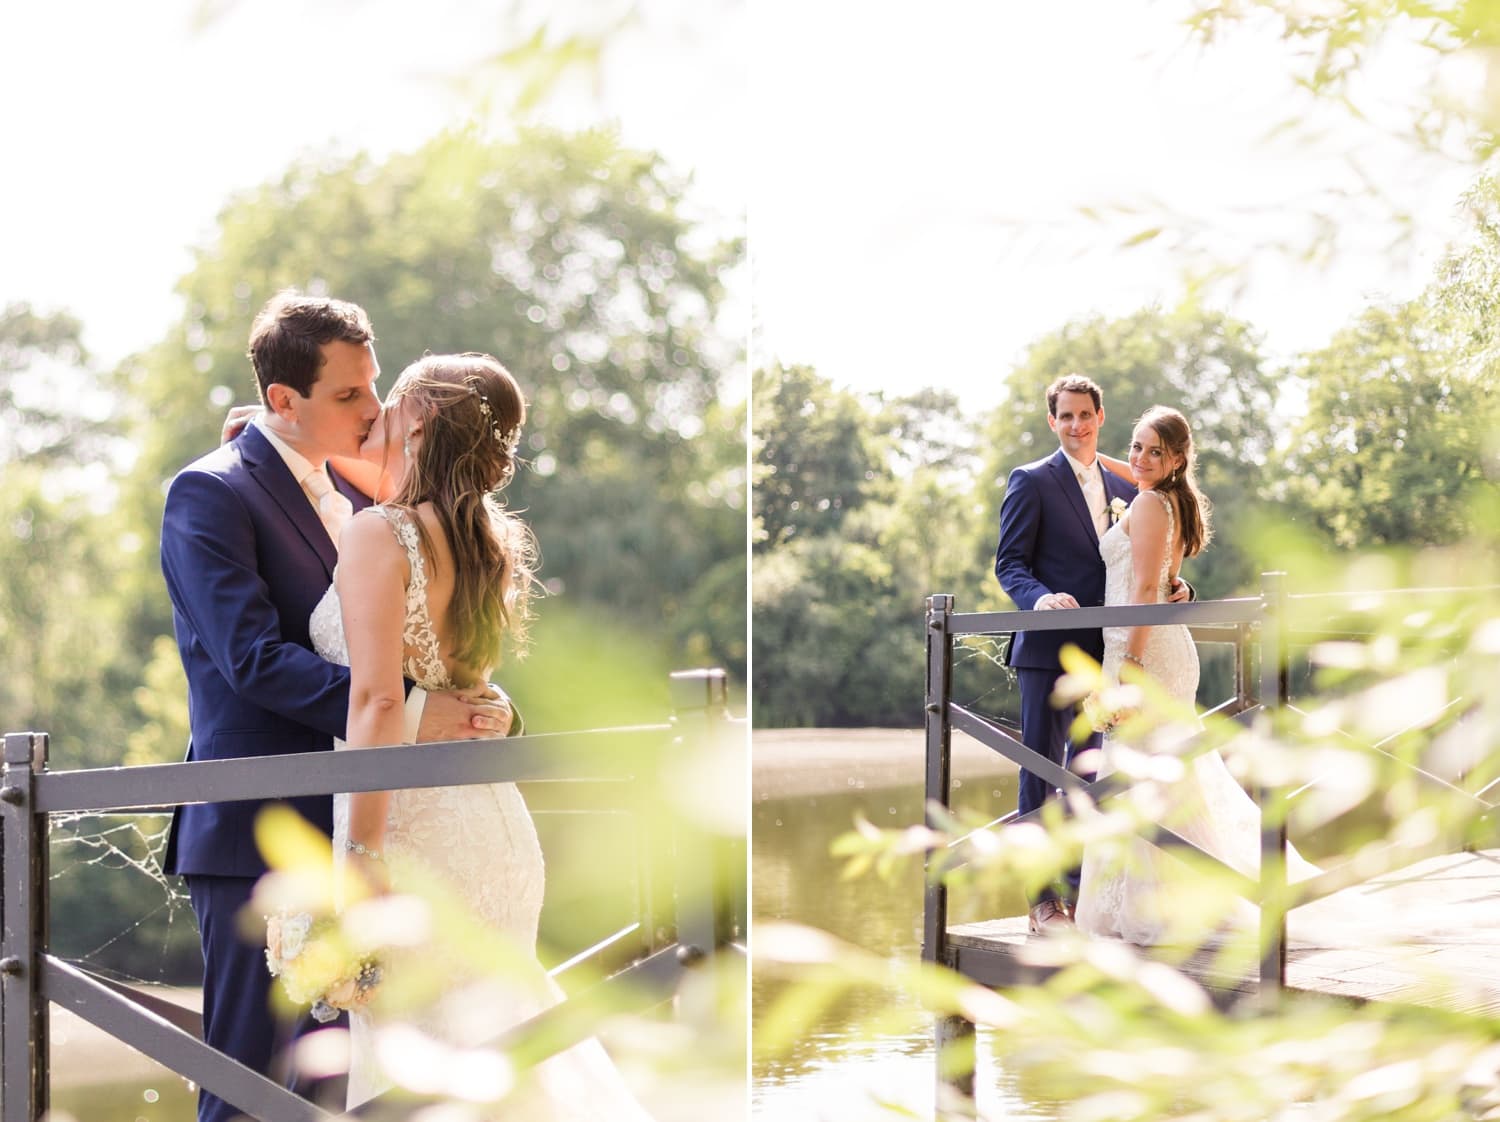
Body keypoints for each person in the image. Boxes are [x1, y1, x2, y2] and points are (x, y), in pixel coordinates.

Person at [159, 291, 513, 1122]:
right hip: (260, 835)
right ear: (286, 400)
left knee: (341, 1093)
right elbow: (251, 660)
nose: (374, 409)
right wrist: (421, 717)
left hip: (366, 828)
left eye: (374, 387)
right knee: (248, 1088)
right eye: (350, 395)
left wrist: (481, 706)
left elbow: (416, 616)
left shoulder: (357, 500)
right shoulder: (209, 494)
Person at [312, 352, 654, 1117]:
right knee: (501, 1049)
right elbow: (470, 691)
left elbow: (373, 702)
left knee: (420, 1071)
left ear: (423, 419)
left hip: (411, 833)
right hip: (495, 831)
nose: (378, 414)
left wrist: (361, 857)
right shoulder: (489, 539)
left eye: (392, 400)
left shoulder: (381, 534)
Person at [1074, 405, 1316, 943]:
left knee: (1148, 772)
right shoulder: (1168, 496)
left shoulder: (1150, 503)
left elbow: (1142, 590)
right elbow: (1166, 581)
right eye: (1135, 447)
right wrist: (1091, 457)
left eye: (1154, 451)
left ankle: (1174, 907)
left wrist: (1130, 667)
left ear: (1178, 458)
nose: (1139, 458)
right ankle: (1172, 897)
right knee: (1160, 774)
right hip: (1144, 644)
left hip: (1145, 652)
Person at [993, 375, 1189, 936]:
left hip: (1105, 654)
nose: (1076, 425)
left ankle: (1080, 899)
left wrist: (1181, 590)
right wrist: (1040, 598)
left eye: (1085, 415)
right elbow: (1010, 563)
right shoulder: (1030, 480)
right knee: (1042, 775)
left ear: (1100, 417)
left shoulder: (1126, 479)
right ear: (1052, 422)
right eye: (1065, 417)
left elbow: (1147, 558)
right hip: (1048, 653)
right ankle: (1042, 903)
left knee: (1092, 779)